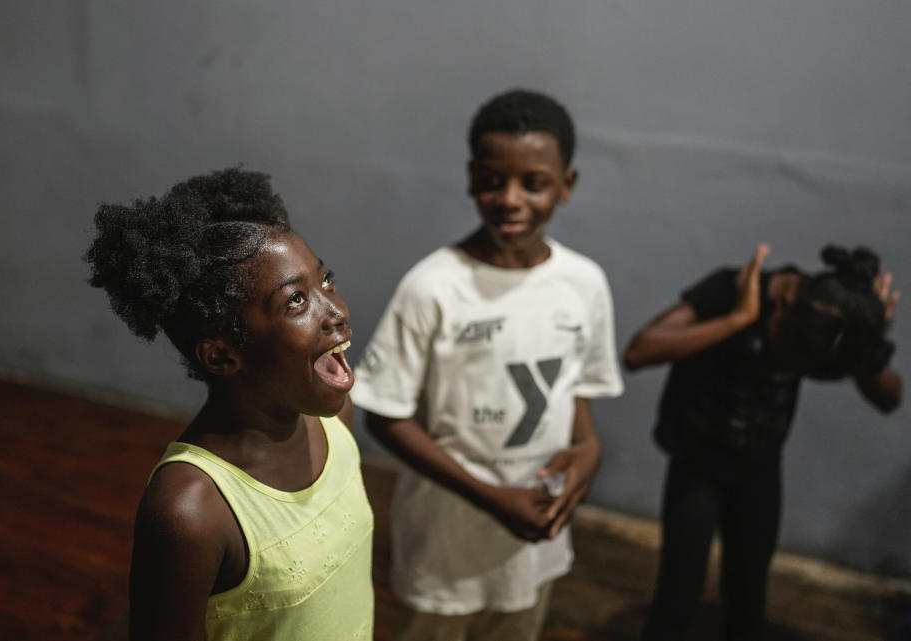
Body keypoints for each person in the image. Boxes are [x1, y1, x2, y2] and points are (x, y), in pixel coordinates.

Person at [350, 89, 624, 641]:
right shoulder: (433, 287)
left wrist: (589, 447)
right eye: (494, 180)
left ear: (565, 186)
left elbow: (574, 387)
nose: (511, 199)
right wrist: (491, 497)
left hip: (536, 537)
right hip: (448, 542)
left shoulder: (584, 283)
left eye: (535, 183)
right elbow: (383, 415)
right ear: (473, 177)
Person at [85, 168, 374, 641]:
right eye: (297, 301)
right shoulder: (192, 510)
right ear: (221, 354)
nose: (336, 310)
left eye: (326, 281)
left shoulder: (335, 419)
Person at [625, 243, 902, 641]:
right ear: (780, 309)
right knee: (679, 594)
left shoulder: (829, 315)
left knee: (749, 595)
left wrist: (866, 349)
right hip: (698, 464)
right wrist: (737, 318)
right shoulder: (731, 289)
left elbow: (890, 399)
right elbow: (638, 352)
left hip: (759, 467)